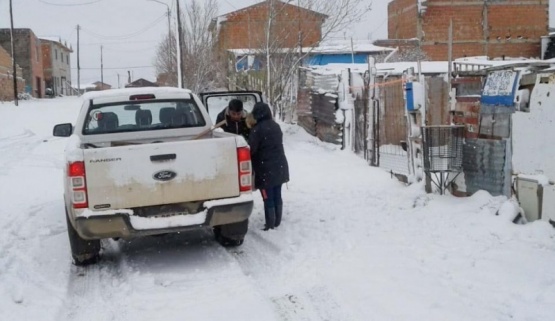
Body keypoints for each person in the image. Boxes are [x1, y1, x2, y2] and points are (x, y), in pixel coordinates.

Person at [248, 102, 290, 230]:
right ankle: (277, 221)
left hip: (265, 169)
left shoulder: (257, 130)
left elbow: (251, 149)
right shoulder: (276, 126)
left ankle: (270, 224)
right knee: (277, 194)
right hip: (280, 166)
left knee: (268, 197)